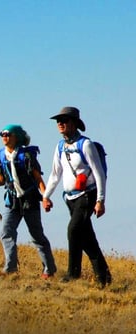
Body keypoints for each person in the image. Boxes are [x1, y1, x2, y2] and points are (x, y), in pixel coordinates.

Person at [0, 124, 57, 278]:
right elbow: (1, 180)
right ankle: (10, 268)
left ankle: (49, 270)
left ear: (16, 137)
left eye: (8, 134)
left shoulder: (27, 155)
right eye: (2, 134)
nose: (4, 136)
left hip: (30, 200)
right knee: (6, 232)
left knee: (36, 236)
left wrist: (45, 197)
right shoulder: (1, 156)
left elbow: (38, 179)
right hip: (12, 201)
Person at [42, 106, 112, 287]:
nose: (60, 124)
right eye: (58, 121)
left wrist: (100, 200)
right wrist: (46, 196)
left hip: (87, 196)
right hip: (70, 198)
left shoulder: (86, 145)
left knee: (73, 230)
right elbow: (55, 174)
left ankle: (73, 274)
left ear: (74, 123)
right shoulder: (60, 146)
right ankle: (104, 277)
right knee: (87, 238)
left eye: (64, 121)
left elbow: (99, 174)